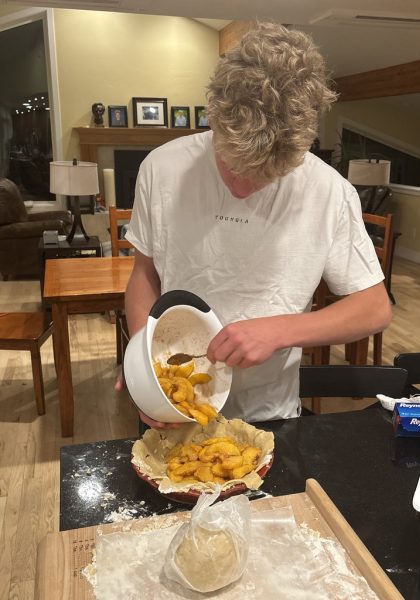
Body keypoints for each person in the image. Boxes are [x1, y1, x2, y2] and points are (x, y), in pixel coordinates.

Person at [117, 22, 392, 428]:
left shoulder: (329, 191)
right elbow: (144, 274)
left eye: (266, 176)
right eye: (232, 165)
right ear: (214, 118)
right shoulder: (161, 168)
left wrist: (283, 330)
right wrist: (145, 367)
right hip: (173, 401)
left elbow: (374, 308)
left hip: (270, 412)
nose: (244, 187)